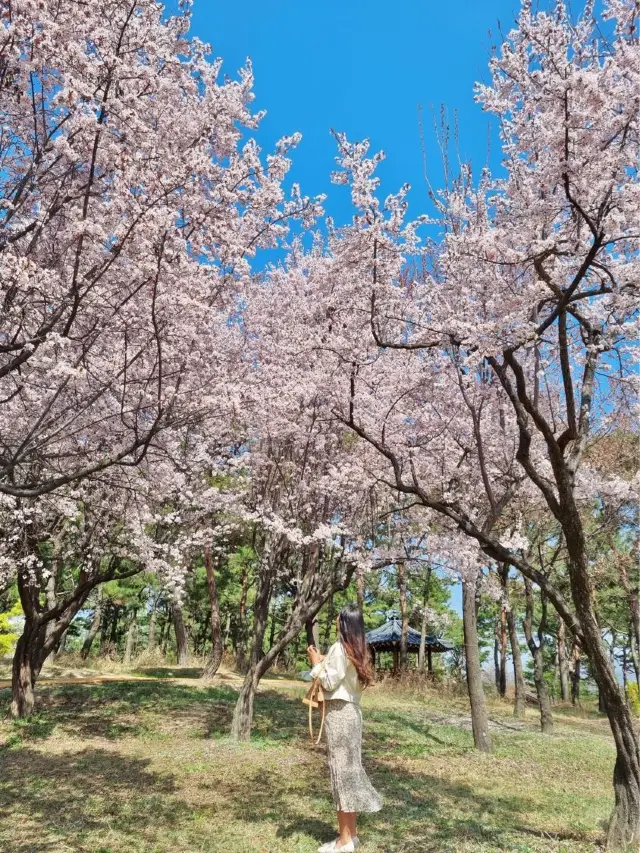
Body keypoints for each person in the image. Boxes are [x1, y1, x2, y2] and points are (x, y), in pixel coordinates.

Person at [307, 603, 383, 853]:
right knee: (348, 772)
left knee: (341, 774)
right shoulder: (358, 650)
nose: (337, 620)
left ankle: (344, 841)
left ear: (344, 621)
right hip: (352, 714)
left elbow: (328, 681)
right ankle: (352, 835)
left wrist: (316, 662)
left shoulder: (340, 647)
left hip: (339, 713)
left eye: (339, 617)